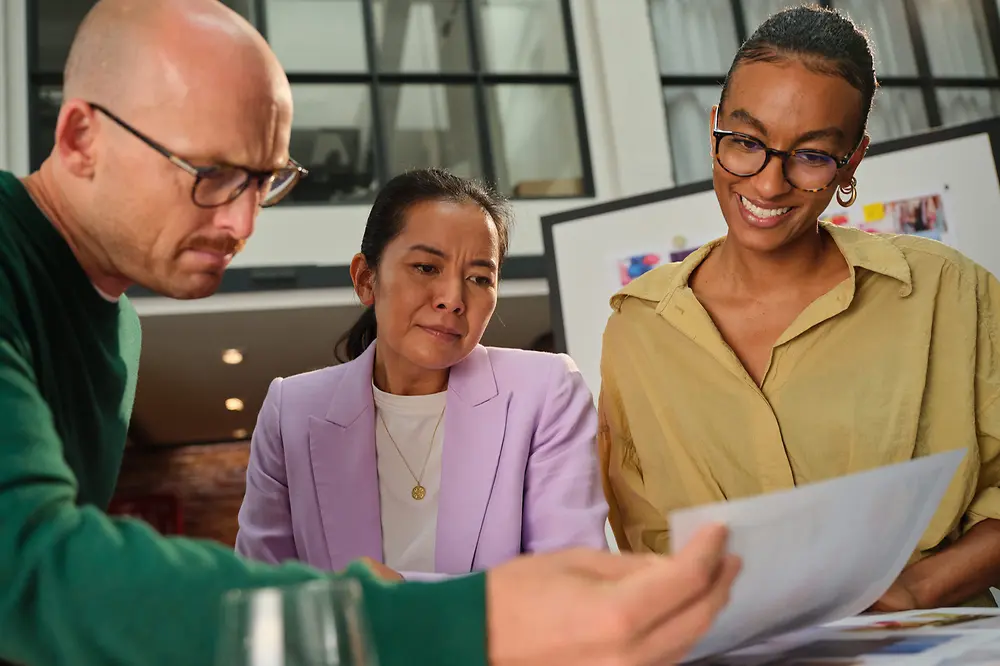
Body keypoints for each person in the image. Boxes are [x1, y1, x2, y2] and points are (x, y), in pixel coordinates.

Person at [0, 1, 742, 665]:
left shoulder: (115, 320)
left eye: (263, 182)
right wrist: (442, 618)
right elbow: (25, 569)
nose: (241, 224)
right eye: (210, 173)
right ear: (80, 137)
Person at [598, 4, 1000, 612]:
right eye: (744, 142)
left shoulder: (952, 294)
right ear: (715, 128)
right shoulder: (638, 329)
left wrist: (912, 589)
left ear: (853, 161)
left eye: (811, 155)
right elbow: (646, 543)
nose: (766, 183)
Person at [235, 169, 608, 581]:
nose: (452, 299)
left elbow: (573, 579)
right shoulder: (292, 411)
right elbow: (262, 591)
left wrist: (391, 597)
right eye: (427, 268)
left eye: (480, 278)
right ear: (365, 279)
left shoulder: (544, 391)